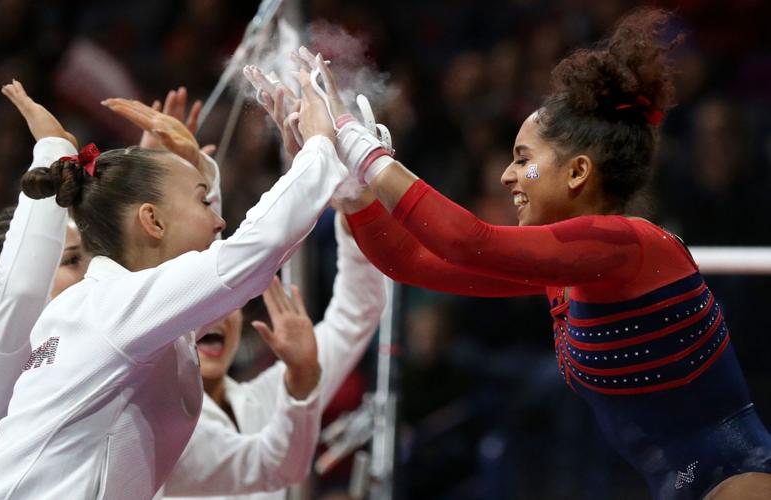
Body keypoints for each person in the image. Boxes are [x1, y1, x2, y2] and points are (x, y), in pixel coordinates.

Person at [302, 8, 771, 500]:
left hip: (737, 480)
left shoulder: (629, 245)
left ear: (578, 172)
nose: (508, 176)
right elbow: (411, 262)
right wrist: (355, 192)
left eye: (523, 160)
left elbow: (465, 239)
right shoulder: (567, 270)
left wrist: (362, 149)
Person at [0, 71, 345, 499]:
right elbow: (245, 258)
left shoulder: (127, 315)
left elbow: (220, 272)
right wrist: (320, 149)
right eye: (203, 202)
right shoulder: (114, 311)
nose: (219, 220)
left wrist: (196, 173)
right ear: (152, 221)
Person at [161, 208, 385, 499]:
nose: (214, 318)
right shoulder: (154, 426)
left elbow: (356, 316)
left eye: (225, 302)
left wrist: (355, 213)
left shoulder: (271, 396)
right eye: (200, 306)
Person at [0, 80, 79, 476]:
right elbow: (24, 289)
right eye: (71, 260)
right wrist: (53, 149)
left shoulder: (71, 345)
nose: (91, 270)